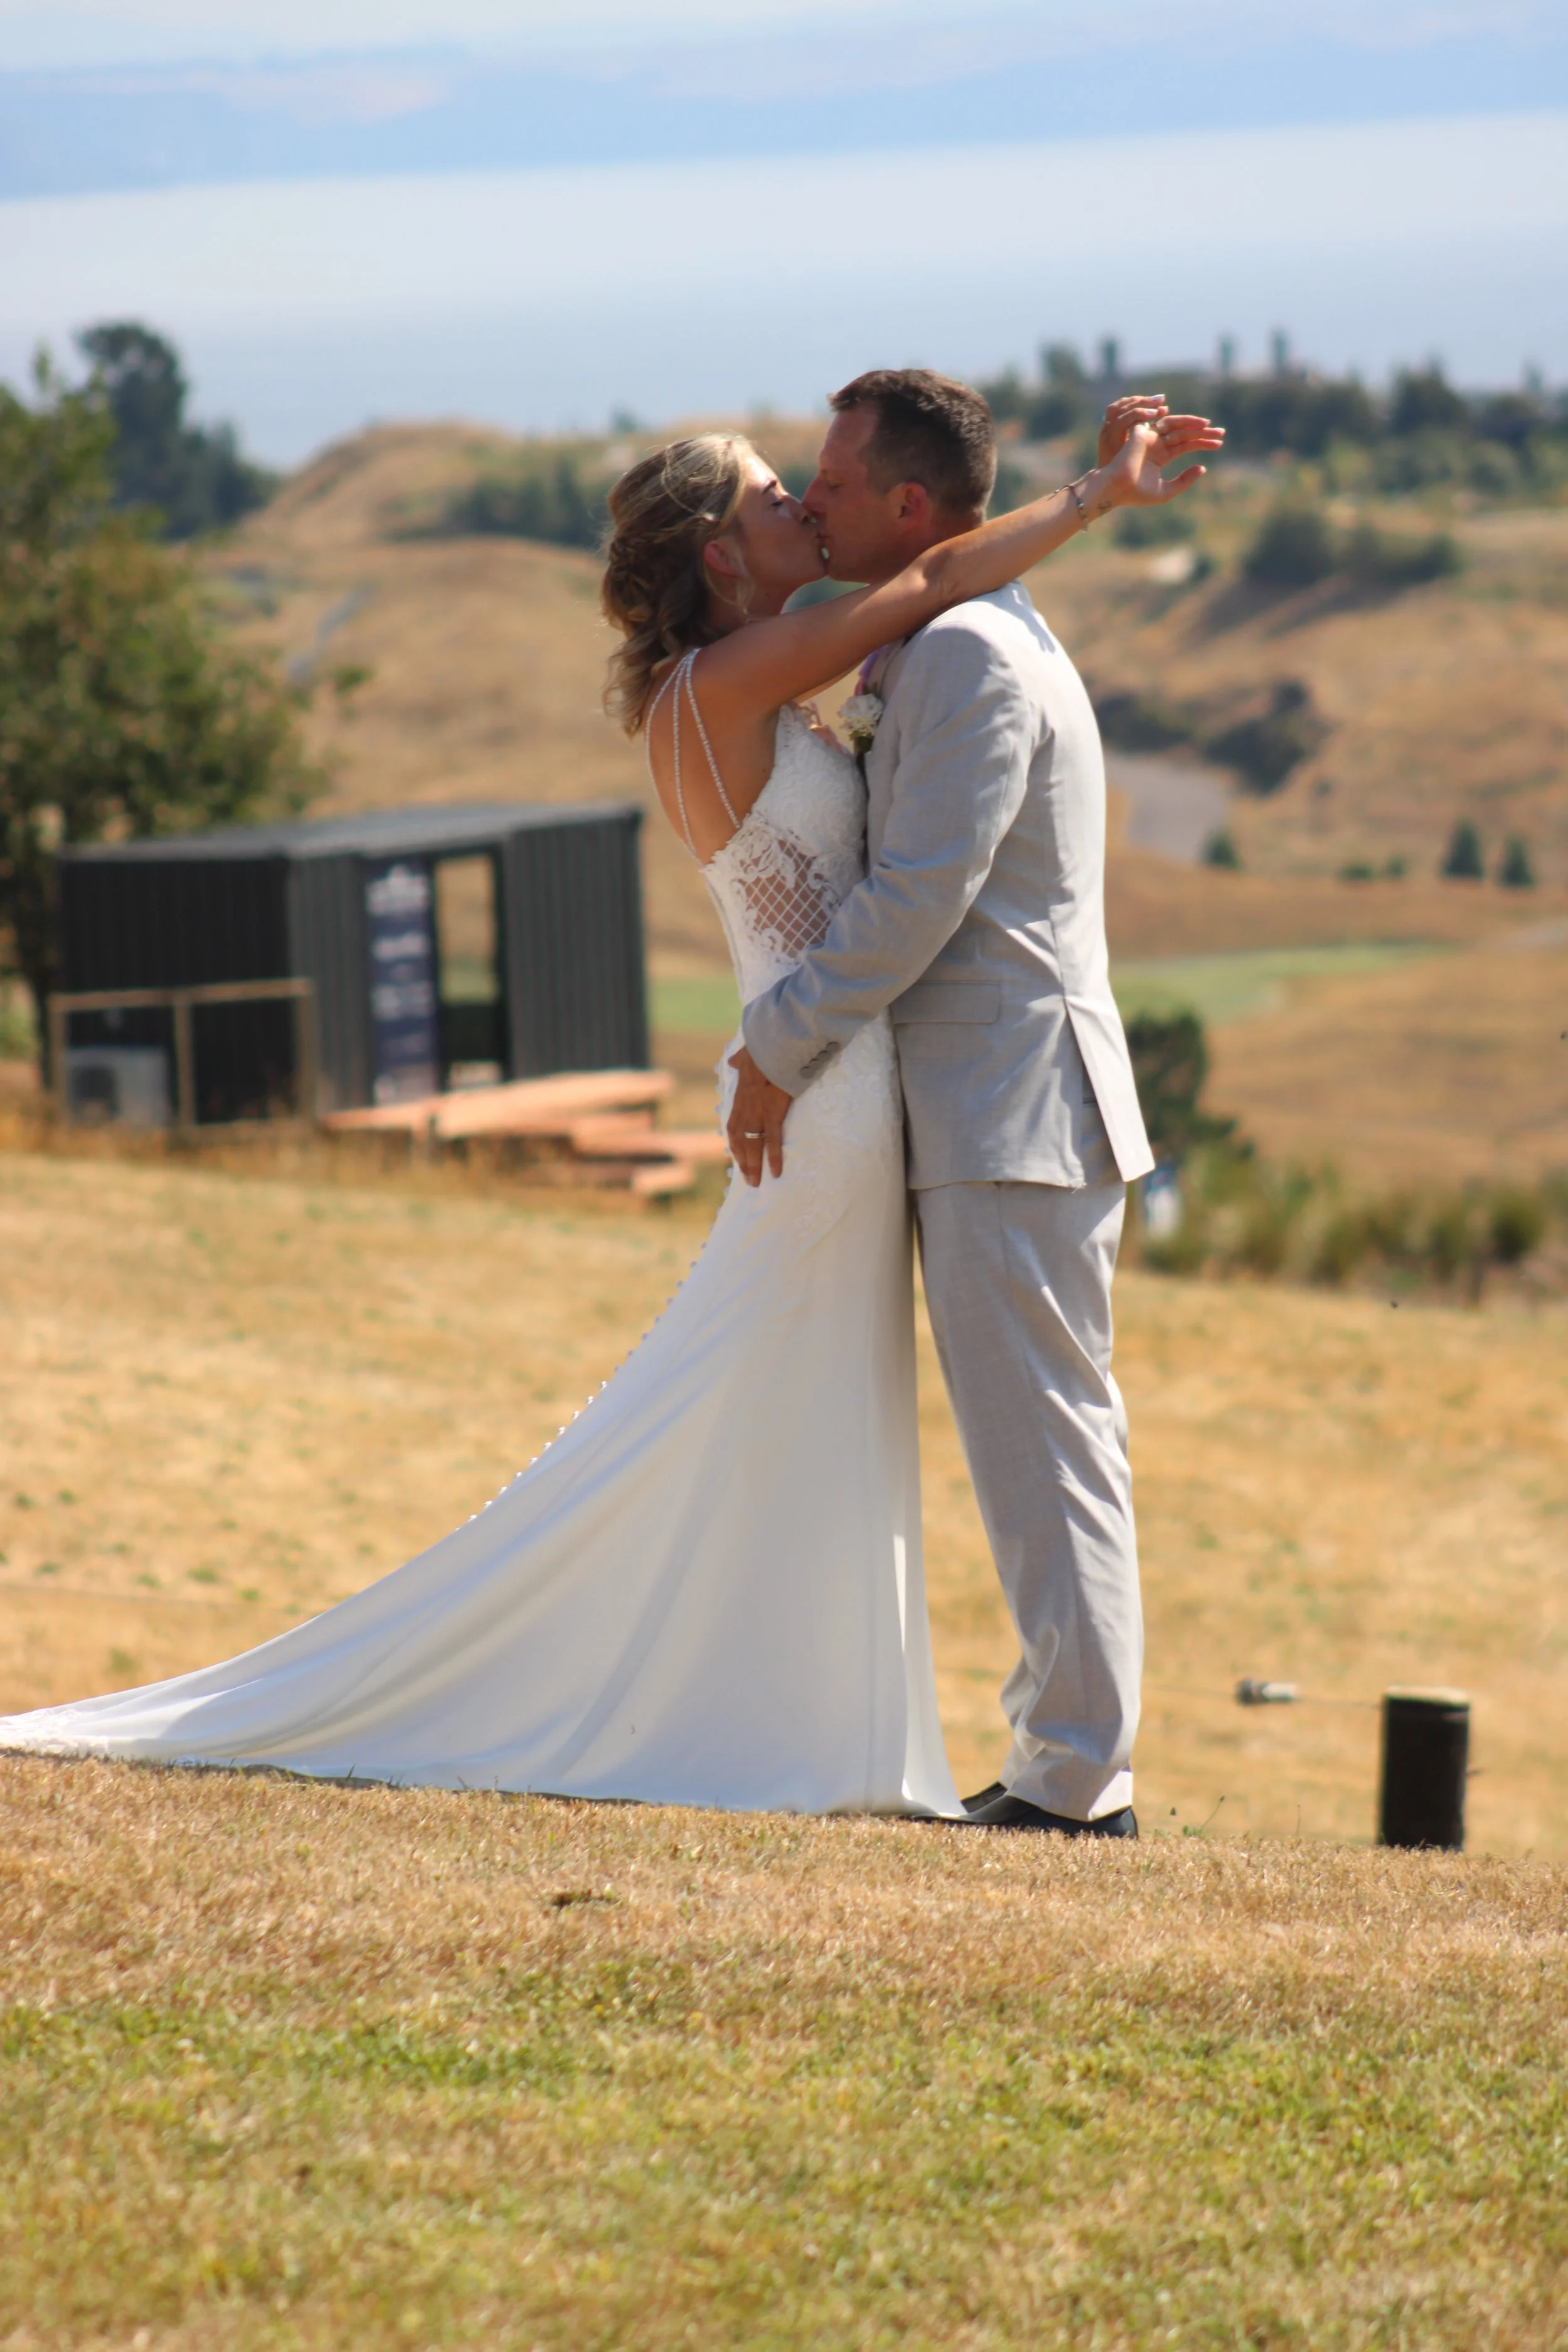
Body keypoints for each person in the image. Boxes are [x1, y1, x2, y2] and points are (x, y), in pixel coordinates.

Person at [0, 381, 1219, 1818]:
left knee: (888, 1420)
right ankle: (900, 1746)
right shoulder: (744, 681)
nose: (803, 506)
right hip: (825, 1095)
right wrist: (1096, 499)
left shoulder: (830, 664)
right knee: (831, 1412)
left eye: (815, 484)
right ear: (717, 557)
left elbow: (932, 622)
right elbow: (933, 597)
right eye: (779, 495)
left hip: (903, 1092)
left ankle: (939, 1749)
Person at [729, 369, 1190, 1836]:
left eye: (839, 483)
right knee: (1038, 1440)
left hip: (1015, 1108)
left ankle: (1072, 1788)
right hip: (990, 1108)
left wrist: (776, 1043)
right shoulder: (940, 636)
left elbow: (923, 898)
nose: (815, 498)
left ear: (914, 508)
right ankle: (1065, 1764)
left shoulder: (971, 659)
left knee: (1045, 1444)